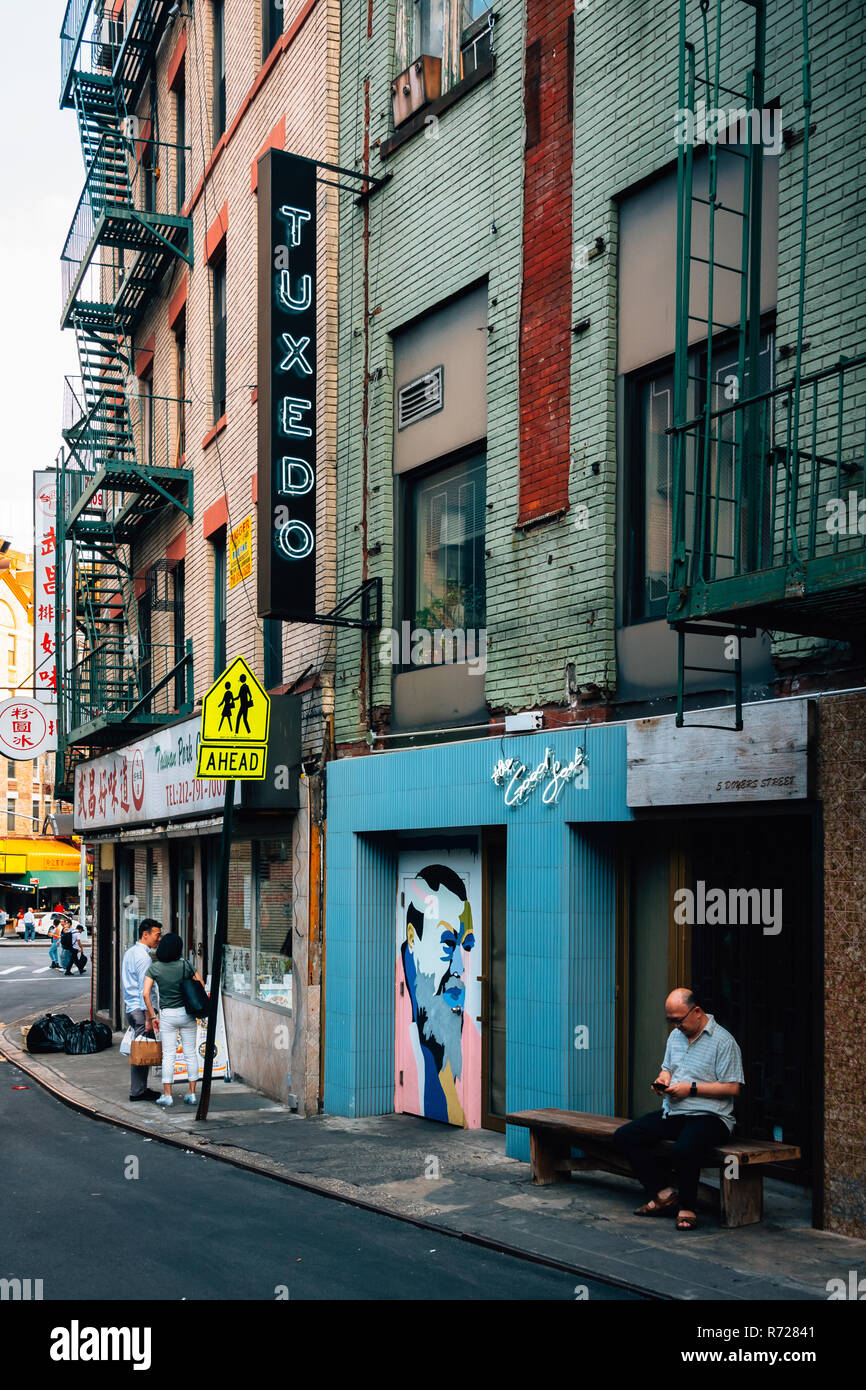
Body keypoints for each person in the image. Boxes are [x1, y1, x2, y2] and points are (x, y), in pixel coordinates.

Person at [613, 989, 744, 1231]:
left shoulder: (724, 1042)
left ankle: (687, 1208)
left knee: (685, 1147)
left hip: (711, 1116)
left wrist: (691, 1090)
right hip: (675, 1111)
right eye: (671, 1020)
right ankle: (663, 1195)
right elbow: (667, 1069)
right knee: (626, 1136)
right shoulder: (676, 1037)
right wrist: (663, 1080)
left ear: (696, 1011)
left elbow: (733, 1088)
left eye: (679, 1020)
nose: (675, 1025)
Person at [399, 864, 478, 1126]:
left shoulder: (473, 1037)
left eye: (464, 945)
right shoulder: (409, 1015)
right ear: (412, 939)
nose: (459, 967)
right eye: (447, 944)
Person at [143, 932, 205, 1108]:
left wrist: (153, 1016)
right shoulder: (186, 965)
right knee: (190, 1053)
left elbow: (146, 993)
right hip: (187, 1014)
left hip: (167, 1015)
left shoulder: (154, 968)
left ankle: (168, 1095)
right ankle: (192, 1094)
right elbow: (200, 984)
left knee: (168, 1055)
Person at [121, 919, 163, 1103]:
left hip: (131, 1007)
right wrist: (149, 1017)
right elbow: (144, 991)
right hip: (140, 1010)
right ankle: (137, 1091)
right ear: (145, 934)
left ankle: (140, 1089)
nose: (159, 939)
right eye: (157, 935)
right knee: (142, 1050)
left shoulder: (131, 952)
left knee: (140, 1048)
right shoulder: (143, 957)